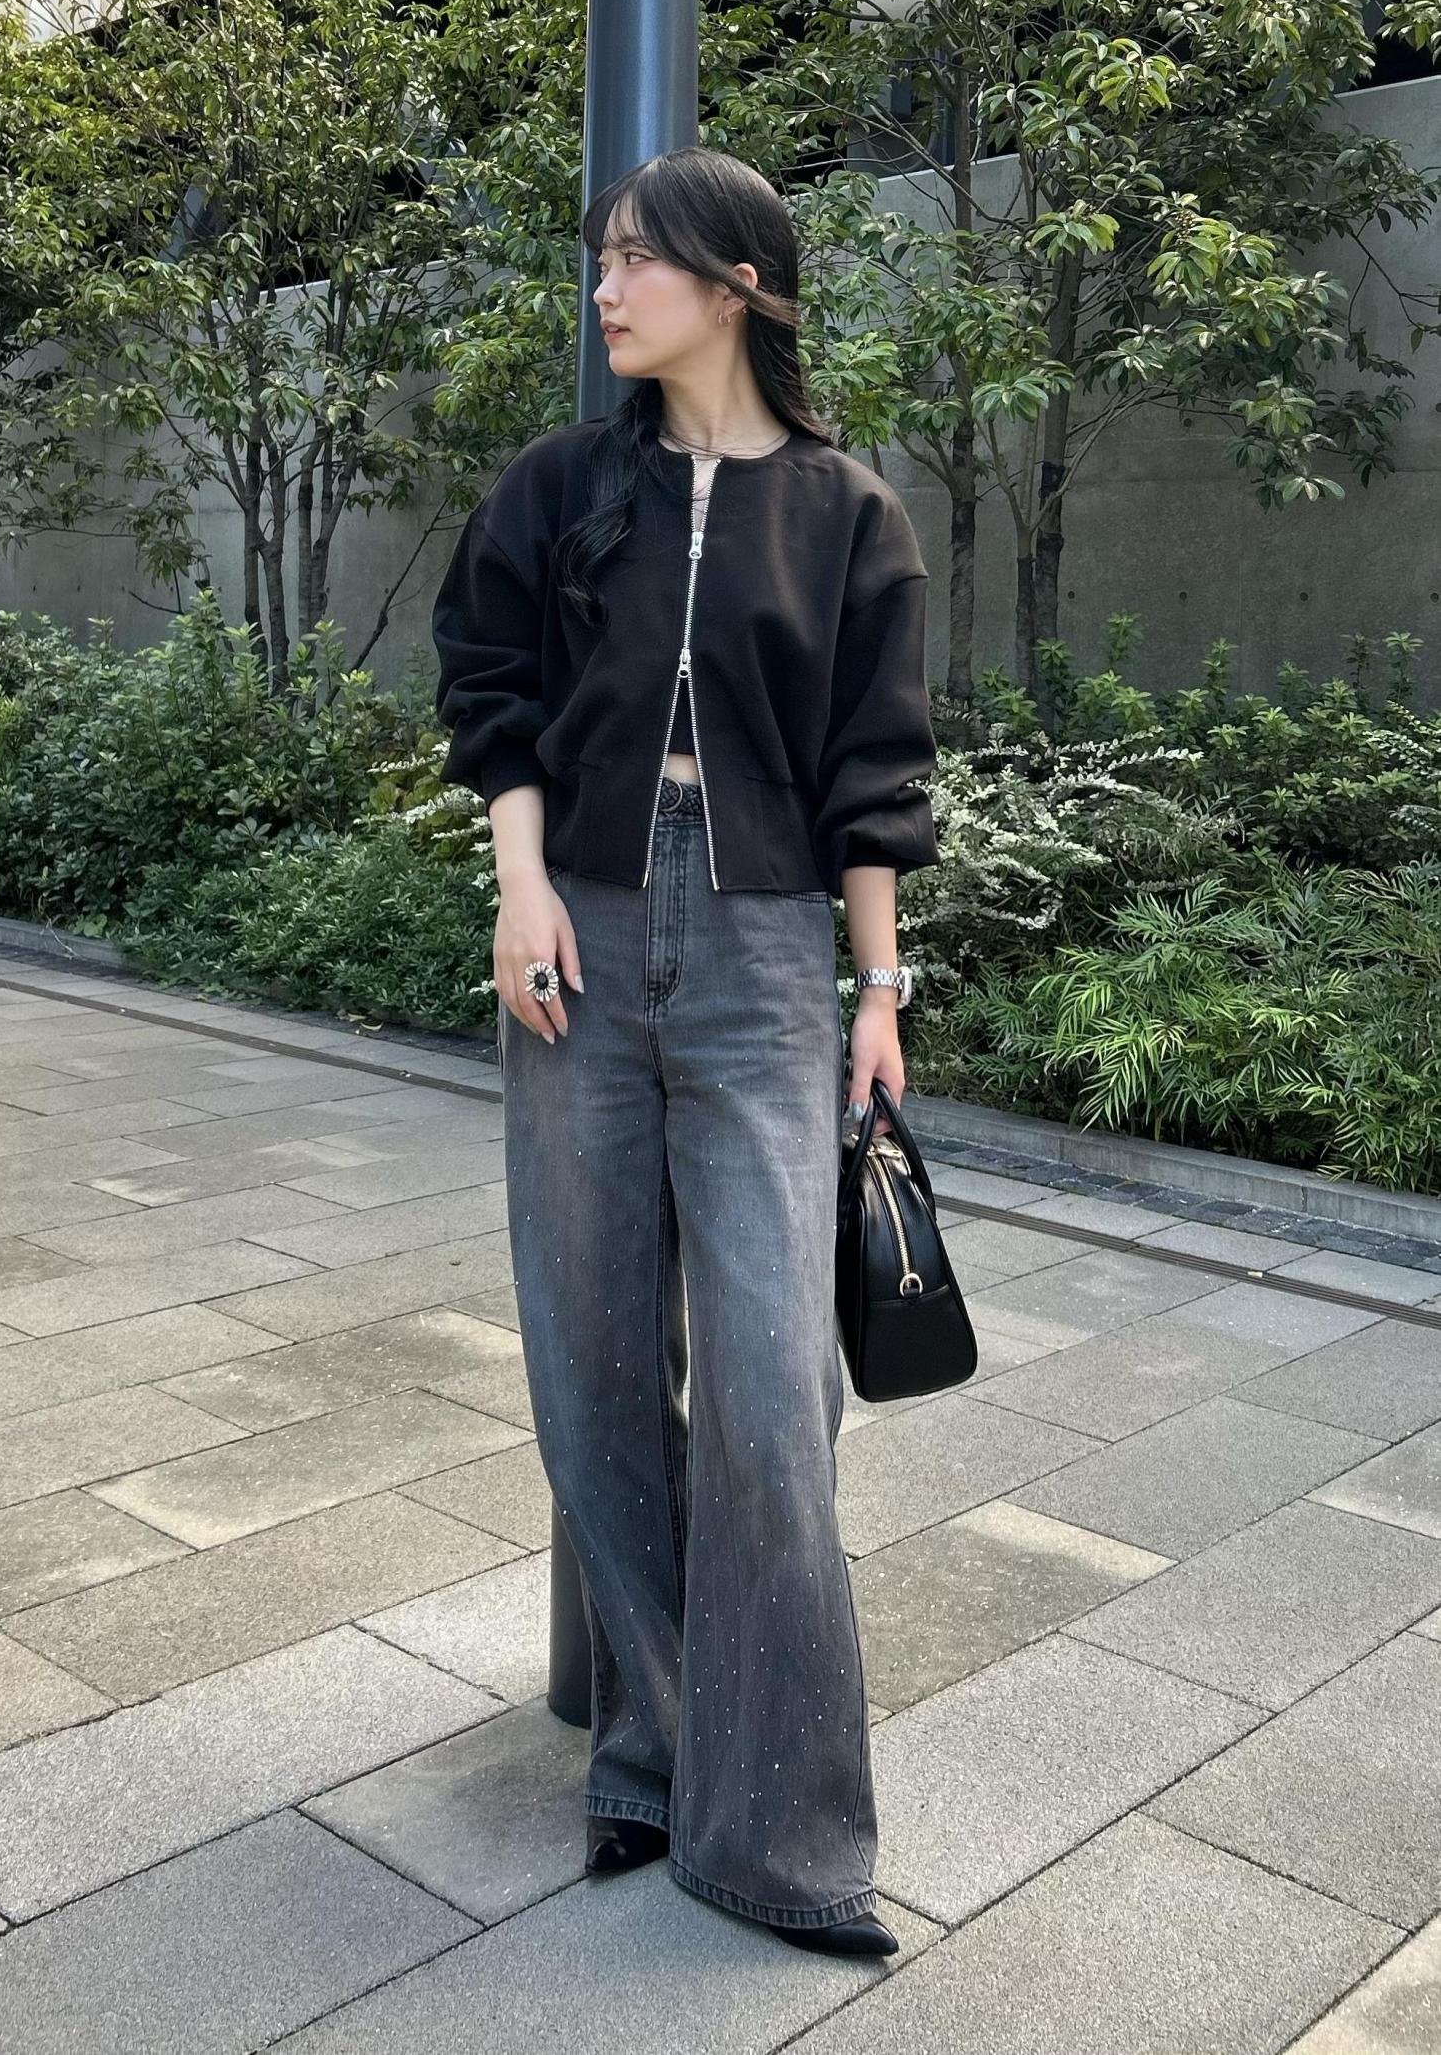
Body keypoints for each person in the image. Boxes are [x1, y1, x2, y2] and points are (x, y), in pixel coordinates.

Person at [432, 145, 940, 1958]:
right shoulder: (564, 485)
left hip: (760, 953)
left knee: (774, 1395)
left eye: (638, 261)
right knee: (587, 1362)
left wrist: (877, 992)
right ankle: (649, 1752)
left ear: (737, 285)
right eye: (603, 260)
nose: (607, 290)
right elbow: (490, 690)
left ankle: (784, 1836)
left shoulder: (848, 515)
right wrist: (520, 889)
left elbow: (877, 775)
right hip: (578, 929)